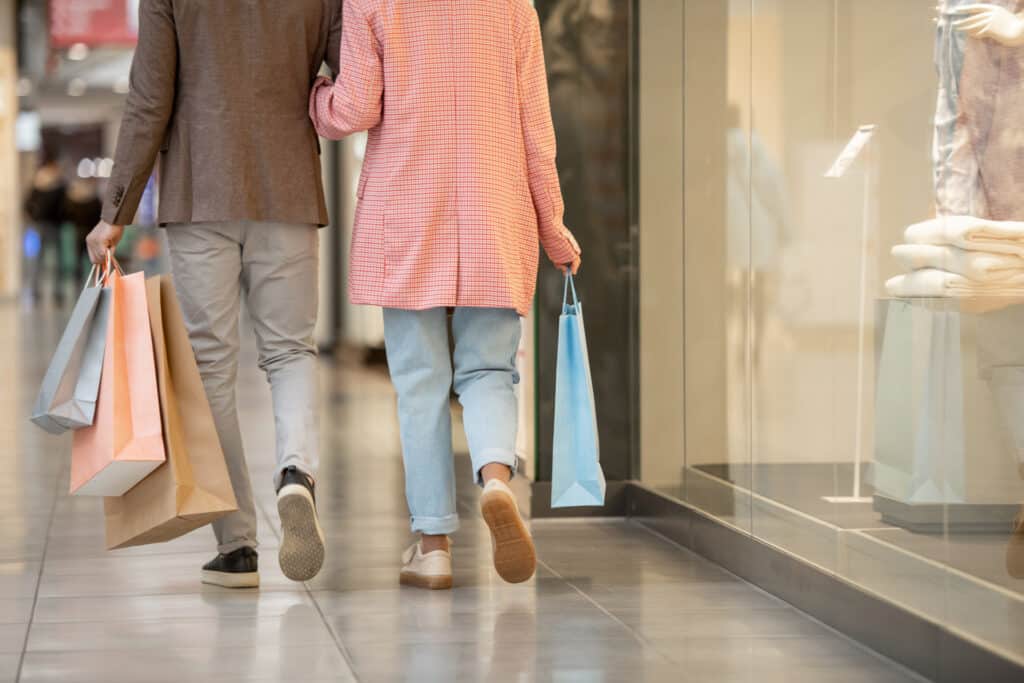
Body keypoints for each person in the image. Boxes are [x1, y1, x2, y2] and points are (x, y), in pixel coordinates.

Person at [310, 0, 582, 588]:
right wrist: (553, 227)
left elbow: (355, 107)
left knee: (419, 382)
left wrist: (319, 98)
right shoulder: (513, 8)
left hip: (407, 209)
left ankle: (432, 546)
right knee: (489, 370)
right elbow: (538, 130)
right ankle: (495, 483)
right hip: (495, 207)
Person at [86, 0, 343, 588]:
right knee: (290, 352)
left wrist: (116, 212)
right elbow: (352, 84)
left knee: (210, 369)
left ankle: (238, 548)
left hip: (201, 193)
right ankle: (296, 474)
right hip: (290, 190)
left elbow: (150, 98)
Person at [24, 148, 67, 305]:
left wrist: (34, 217)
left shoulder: (40, 182)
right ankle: (50, 292)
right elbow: (64, 206)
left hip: (43, 225)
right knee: (49, 261)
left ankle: (41, 292)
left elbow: (27, 204)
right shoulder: (55, 183)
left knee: (41, 260)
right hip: (49, 225)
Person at [62, 178, 101, 285]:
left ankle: (77, 284)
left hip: (78, 233)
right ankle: (96, 283)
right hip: (91, 232)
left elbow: (67, 215)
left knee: (78, 261)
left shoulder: (74, 199)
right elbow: (99, 216)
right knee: (94, 261)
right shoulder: (94, 199)